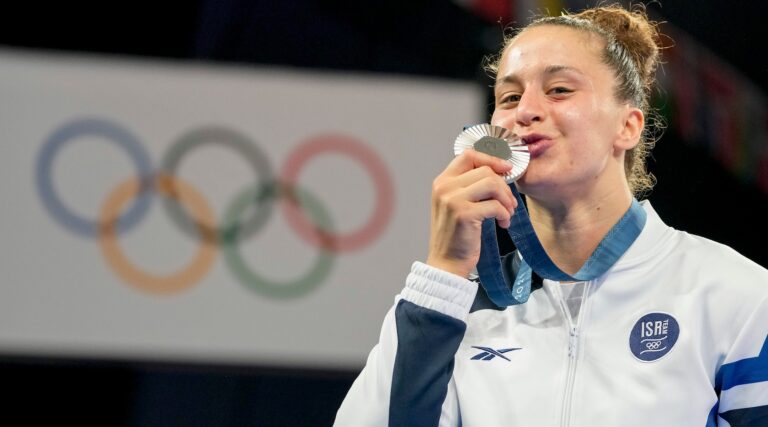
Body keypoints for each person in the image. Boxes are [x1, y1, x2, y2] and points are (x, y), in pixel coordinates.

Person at [334, 4, 768, 426]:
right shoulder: (451, 310)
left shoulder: (732, 294)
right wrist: (443, 273)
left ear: (628, 126)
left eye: (559, 89)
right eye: (509, 96)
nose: (525, 110)